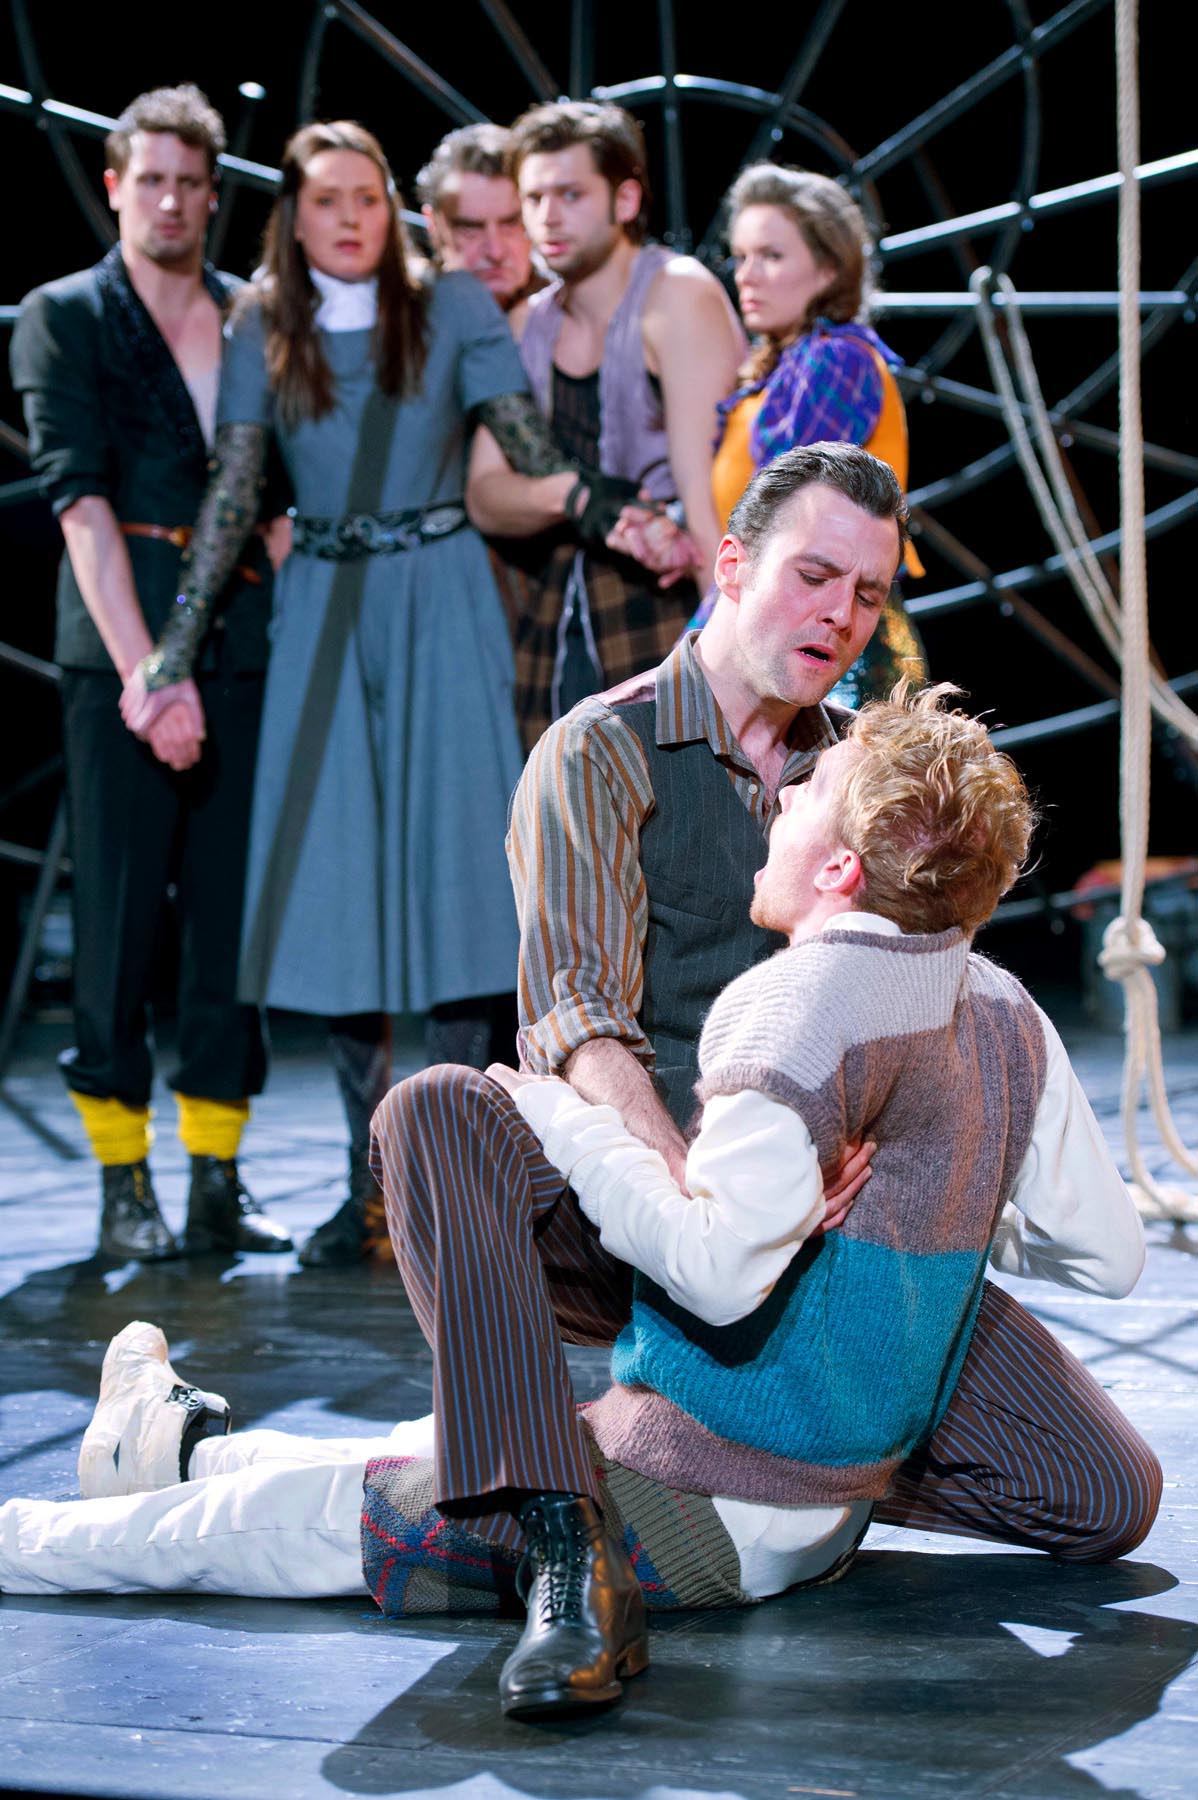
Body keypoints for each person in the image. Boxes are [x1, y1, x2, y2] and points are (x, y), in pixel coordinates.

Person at [0, 686, 1154, 1721]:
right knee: (386, 1476)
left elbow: (715, 1273)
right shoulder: (1004, 1006)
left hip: (701, 1508)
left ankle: (29, 1534)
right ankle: (175, 1442)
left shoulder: (797, 1003)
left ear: (841, 870)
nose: (786, 794)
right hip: (823, 1511)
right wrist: (935, 1190)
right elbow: (1107, 1258)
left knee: (313, 1526)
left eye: (811, 791)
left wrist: (560, 1115)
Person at [370, 444, 1160, 1715]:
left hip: (826, 1231)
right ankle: (560, 1525)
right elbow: (575, 1021)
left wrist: (917, 1186)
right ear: (731, 566)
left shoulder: (856, 771)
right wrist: (714, 1204)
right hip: (651, 1203)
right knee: (442, 1113)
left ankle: (770, 1462)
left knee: (1098, 1494)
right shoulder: (602, 749)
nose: (839, 615)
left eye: (866, 593)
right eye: (813, 576)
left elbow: (934, 993)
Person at [116, 120, 581, 1267]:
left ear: (392, 207)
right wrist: (174, 646)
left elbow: (526, 445)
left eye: (367, 195)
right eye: (326, 198)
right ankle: (370, 1186)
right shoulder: (260, 322)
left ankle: (460, 1177)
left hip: (438, 599)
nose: (350, 217)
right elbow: (235, 488)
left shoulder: (452, 306)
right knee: (338, 900)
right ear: (293, 212)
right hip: (322, 605)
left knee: (460, 892)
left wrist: (624, 497)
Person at [9, 84, 291, 1262]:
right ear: (116, 185)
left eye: (190, 183)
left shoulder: (248, 314)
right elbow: (78, 505)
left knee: (232, 919)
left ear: (214, 197)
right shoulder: (65, 314)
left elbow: (277, 494)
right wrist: (144, 674)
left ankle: (217, 1176)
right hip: (118, 649)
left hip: (240, 639)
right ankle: (125, 1185)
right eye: (152, 180)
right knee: (119, 917)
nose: (171, 201)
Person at [465, 100, 747, 749]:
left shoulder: (675, 294)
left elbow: (709, 500)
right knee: (560, 808)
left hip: (673, 606)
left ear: (625, 199)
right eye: (533, 197)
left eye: (570, 194)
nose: (547, 216)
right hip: (559, 623)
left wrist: (733, 665)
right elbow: (484, 493)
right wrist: (573, 497)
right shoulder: (527, 324)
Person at [617, 163, 928, 704]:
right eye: (741, 257)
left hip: (832, 640)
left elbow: (780, 527)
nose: (747, 275)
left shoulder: (836, 362)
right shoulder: (775, 376)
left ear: (828, 269)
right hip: (787, 634)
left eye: (771, 256)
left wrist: (689, 666)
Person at [415, 122, 543, 335]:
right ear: (434, 226)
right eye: (470, 229)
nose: (496, 252)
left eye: (510, 224)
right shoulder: (403, 320)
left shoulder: (574, 310)